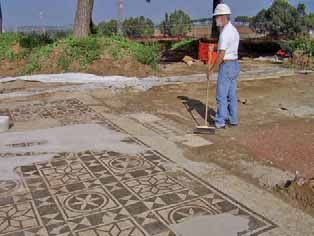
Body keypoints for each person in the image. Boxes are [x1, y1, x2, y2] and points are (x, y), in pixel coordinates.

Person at [208, 3, 240, 129]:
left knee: (221, 96)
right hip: (235, 65)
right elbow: (227, 47)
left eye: (216, 17)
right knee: (231, 95)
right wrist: (214, 47)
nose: (215, 20)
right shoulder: (233, 30)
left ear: (222, 17)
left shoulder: (225, 33)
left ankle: (220, 121)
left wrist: (211, 70)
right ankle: (233, 120)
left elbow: (221, 54)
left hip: (226, 66)